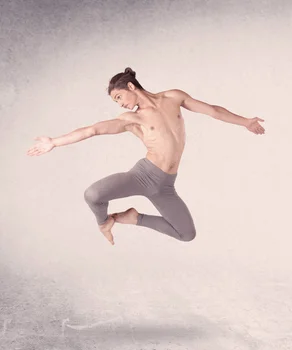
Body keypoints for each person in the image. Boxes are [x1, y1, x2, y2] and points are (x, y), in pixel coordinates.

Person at [26, 67, 265, 245]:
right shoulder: (132, 119)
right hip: (144, 176)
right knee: (93, 195)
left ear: (131, 87)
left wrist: (245, 122)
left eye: (118, 97)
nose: (119, 104)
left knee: (186, 234)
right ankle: (104, 223)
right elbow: (93, 130)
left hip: (165, 186)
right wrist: (54, 142)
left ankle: (132, 217)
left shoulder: (173, 97)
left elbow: (213, 111)